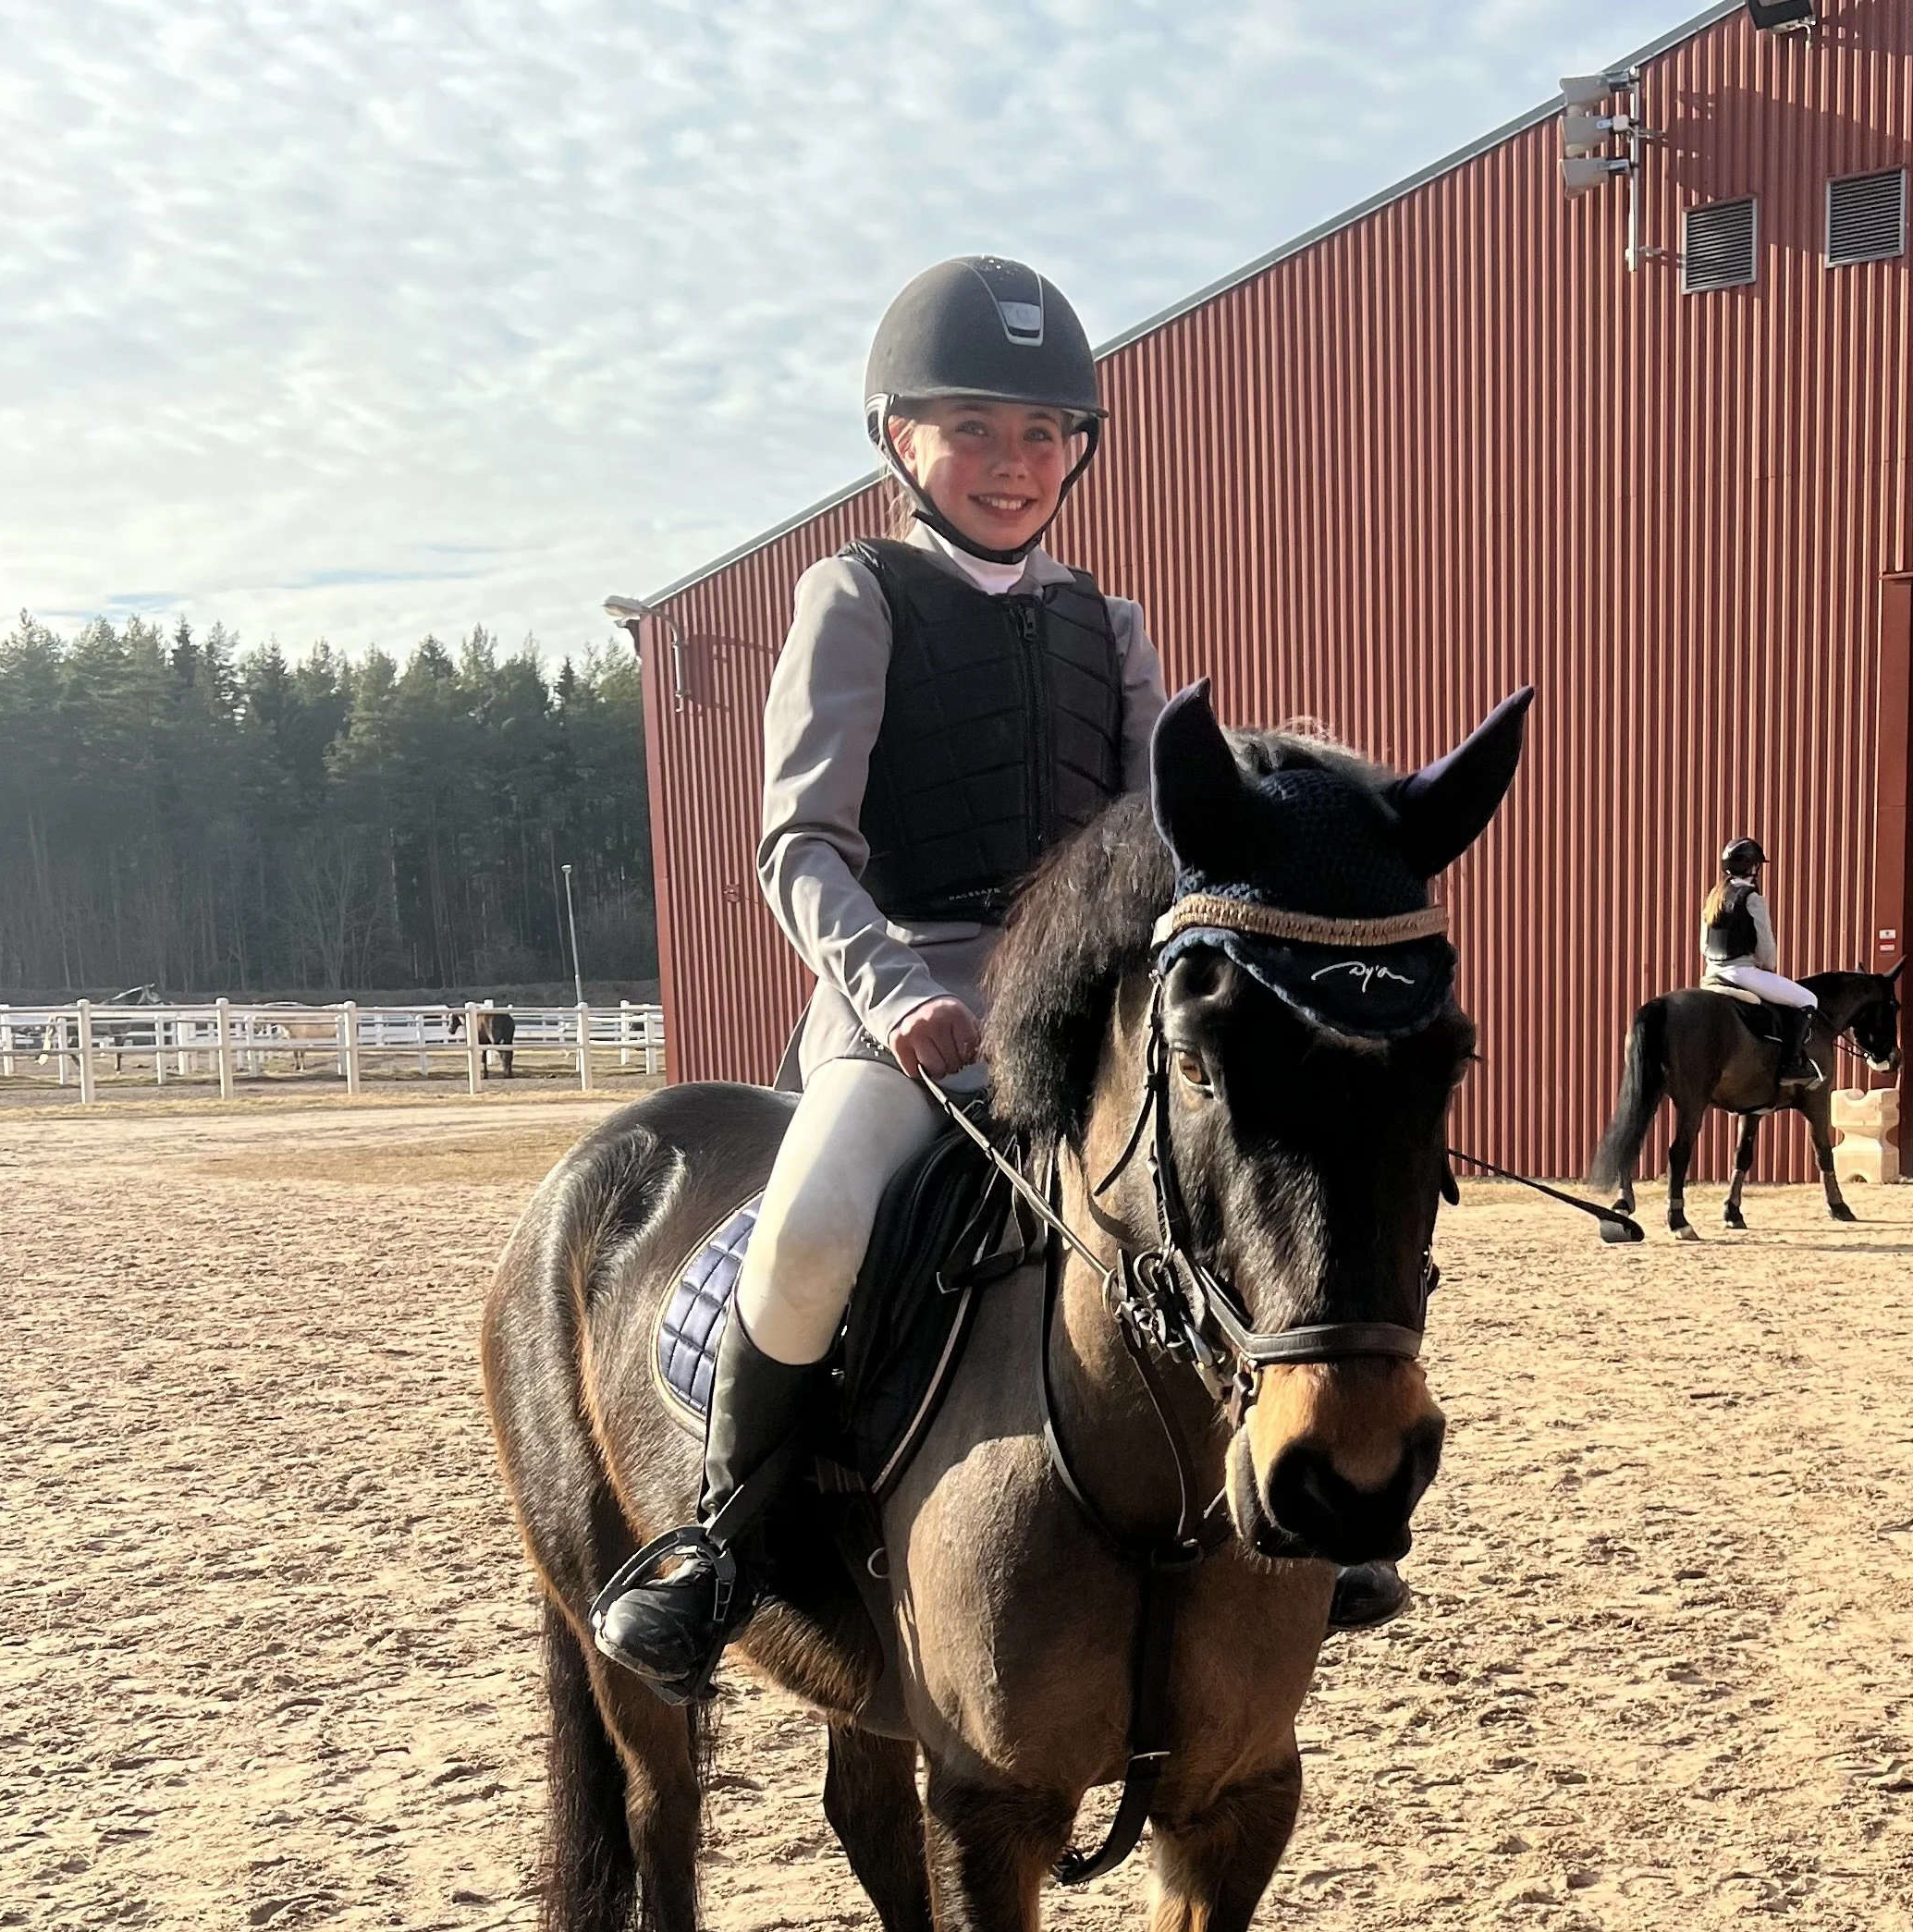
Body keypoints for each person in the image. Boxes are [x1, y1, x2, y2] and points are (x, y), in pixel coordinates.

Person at [595, 254, 1403, 1702]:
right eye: (972, 428)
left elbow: (1179, 842)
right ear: (900, 440)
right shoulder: (855, 597)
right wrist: (893, 989)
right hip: (903, 1003)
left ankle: (1310, 1507)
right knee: (816, 1220)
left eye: (1040, 434)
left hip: (1081, 1011)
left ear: (1075, 450)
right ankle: (723, 1540)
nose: (1010, 463)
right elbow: (796, 841)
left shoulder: (1111, 625)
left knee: (1242, 1186)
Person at [1699, 838, 1821, 1087]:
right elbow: (1765, 943)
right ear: (1752, 867)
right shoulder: (1751, 897)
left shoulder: (1715, 894)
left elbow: (1704, 944)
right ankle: (1791, 1065)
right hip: (1742, 972)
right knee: (1809, 1000)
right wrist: (1768, 968)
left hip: (1712, 972)